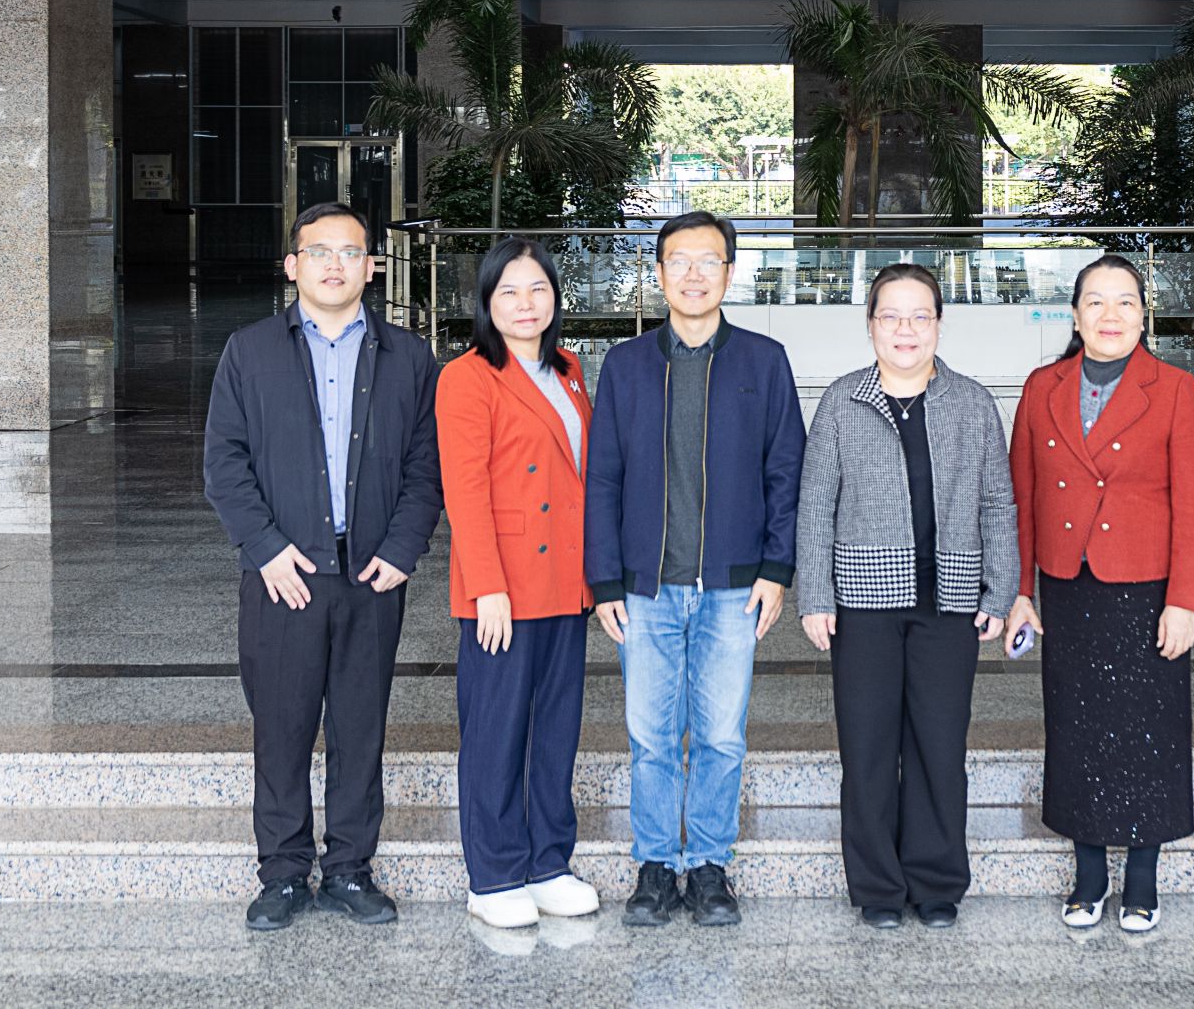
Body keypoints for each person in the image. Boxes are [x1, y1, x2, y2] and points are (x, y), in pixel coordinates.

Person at [203, 202, 442, 932]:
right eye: (318, 251)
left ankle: (349, 869)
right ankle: (282, 872)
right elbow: (224, 462)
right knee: (281, 727)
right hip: (284, 576)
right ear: (293, 265)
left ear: (372, 267)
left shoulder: (410, 358)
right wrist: (265, 547)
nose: (334, 264)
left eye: (350, 252)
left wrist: (402, 548)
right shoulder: (249, 351)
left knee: (360, 728)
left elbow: (427, 465)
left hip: (372, 576)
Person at [584, 210, 806, 929]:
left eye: (708, 261)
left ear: (729, 274)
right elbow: (603, 478)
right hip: (646, 589)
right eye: (678, 260)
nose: (693, 274)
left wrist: (776, 568)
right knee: (651, 737)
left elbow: (786, 470)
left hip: (733, 587)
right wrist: (605, 579)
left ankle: (709, 864)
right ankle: (655, 866)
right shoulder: (625, 366)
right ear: (659, 272)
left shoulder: (764, 361)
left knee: (720, 736)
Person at [796, 264, 1018, 931]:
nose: (906, 329)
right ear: (870, 325)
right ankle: (877, 887)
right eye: (891, 315)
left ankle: (936, 881)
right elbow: (816, 504)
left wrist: (1001, 588)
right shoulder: (842, 401)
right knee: (867, 749)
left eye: (920, 315)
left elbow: (997, 501)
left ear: (939, 324)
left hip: (950, 601)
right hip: (862, 604)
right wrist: (815, 594)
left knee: (939, 747)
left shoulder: (971, 402)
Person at [1005, 255, 1194, 934]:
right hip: (1068, 587)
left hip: (1147, 590)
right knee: (1075, 729)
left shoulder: (1175, 389)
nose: (1110, 315)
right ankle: (1090, 874)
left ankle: (1143, 878)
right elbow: (1022, 496)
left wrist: (1186, 599)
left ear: (1143, 316)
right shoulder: (1042, 387)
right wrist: (1021, 590)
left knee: (1150, 732)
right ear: (1074, 315)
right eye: (1095, 301)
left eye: (1125, 301)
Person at [437, 238, 602, 930]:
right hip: (503, 586)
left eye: (537, 289)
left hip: (566, 578)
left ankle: (548, 863)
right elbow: (465, 491)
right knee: (497, 731)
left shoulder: (569, 369)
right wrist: (488, 587)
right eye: (508, 291)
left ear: (555, 298)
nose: (525, 303)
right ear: (487, 302)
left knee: (556, 730)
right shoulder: (468, 377)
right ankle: (495, 873)